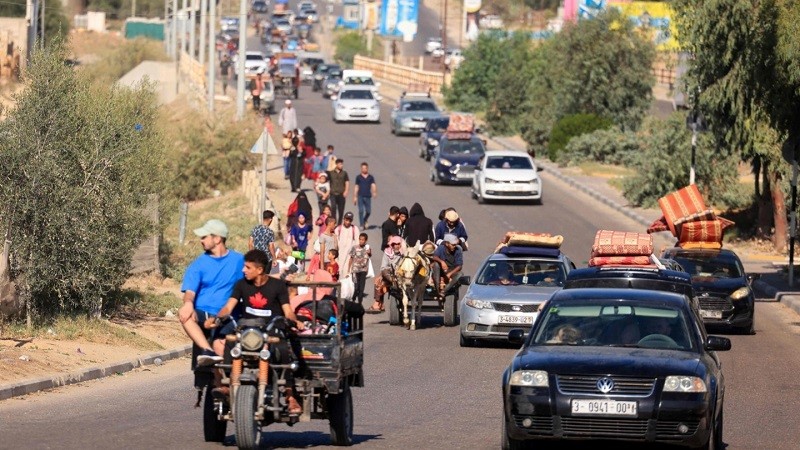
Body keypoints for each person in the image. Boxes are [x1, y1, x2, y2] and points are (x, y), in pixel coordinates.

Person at [203, 249, 304, 415]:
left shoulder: (277, 286)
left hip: (271, 330)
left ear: (260, 269)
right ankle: (226, 385)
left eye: (248, 267)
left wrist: (295, 321)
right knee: (230, 342)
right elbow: (228, 307)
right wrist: (216, 318)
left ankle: (290, 395)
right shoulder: (241, 285)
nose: (244, 270)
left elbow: (287, 311)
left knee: (284, 350)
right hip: (247, 331)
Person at [178, 219, 245, 366]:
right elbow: (190, 292)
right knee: (184, 314)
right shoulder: (198, 264)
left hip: (228, 315)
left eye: (204, 237)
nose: (201, 240)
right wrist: (188, 303)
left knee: (221, 350)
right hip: (203, 314)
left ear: (217, 239)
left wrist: (282, 276)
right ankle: (207, 351)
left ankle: (223, 376)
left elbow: (256, 277)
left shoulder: (239, 260)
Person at [368, 235, 404, 313]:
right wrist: (390, 276)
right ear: (391, 245)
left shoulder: (405, 253)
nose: (396, 246)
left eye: (398, 244)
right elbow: (383, 267)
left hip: (403, 276)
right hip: (391, 276)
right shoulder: (387, 252)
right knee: (378, 281)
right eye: (394, 244)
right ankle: (378, 303)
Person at [348, 232, 372, 304]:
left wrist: (369, 252)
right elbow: (351, 258)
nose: (361, 241)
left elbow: (370, 256)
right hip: (355, 270)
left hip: (363, 270)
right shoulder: (355, 247)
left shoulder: (367, 248)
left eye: (363, 240)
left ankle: (359, 303)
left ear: (366, 240)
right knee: (356, 287)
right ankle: (353, 299)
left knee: (361, 288)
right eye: (360, 239)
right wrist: (348, 269)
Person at [335, 211, 360, 278]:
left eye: (350, 220)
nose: (348, 222)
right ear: (344, 219)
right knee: (338, 272)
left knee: (347, 274)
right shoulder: (338, 229)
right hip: (339, 256)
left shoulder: (355, 229)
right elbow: (335, 243)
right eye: (346, 220)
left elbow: (357, 243)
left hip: (350, 256)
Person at [352, 162, 377, 230]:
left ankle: (364, 219)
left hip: (368, 196)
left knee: (368, 211)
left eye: (365, 168)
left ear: (367, 168)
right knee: (361, 210)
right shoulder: (358, 177)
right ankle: (361, 224)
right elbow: (356, 186)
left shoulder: (370, 177)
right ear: (361, 168)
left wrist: (374, 192)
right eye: (362, 168)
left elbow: (373, 185)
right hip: (360, 196)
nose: (364, 169)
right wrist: (355, 197)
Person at [327, 158, 350, 225]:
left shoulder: (344, 173)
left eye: (342, 164)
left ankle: (339, 223)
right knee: (333, 207)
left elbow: (347, 182)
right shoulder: (331, 173)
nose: (341, 165)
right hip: (333, 193)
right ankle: (334, 221)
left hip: (341, 194)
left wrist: (346, 191)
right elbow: (326, 181)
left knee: (341, 210)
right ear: (336, 164)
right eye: (340, 164)